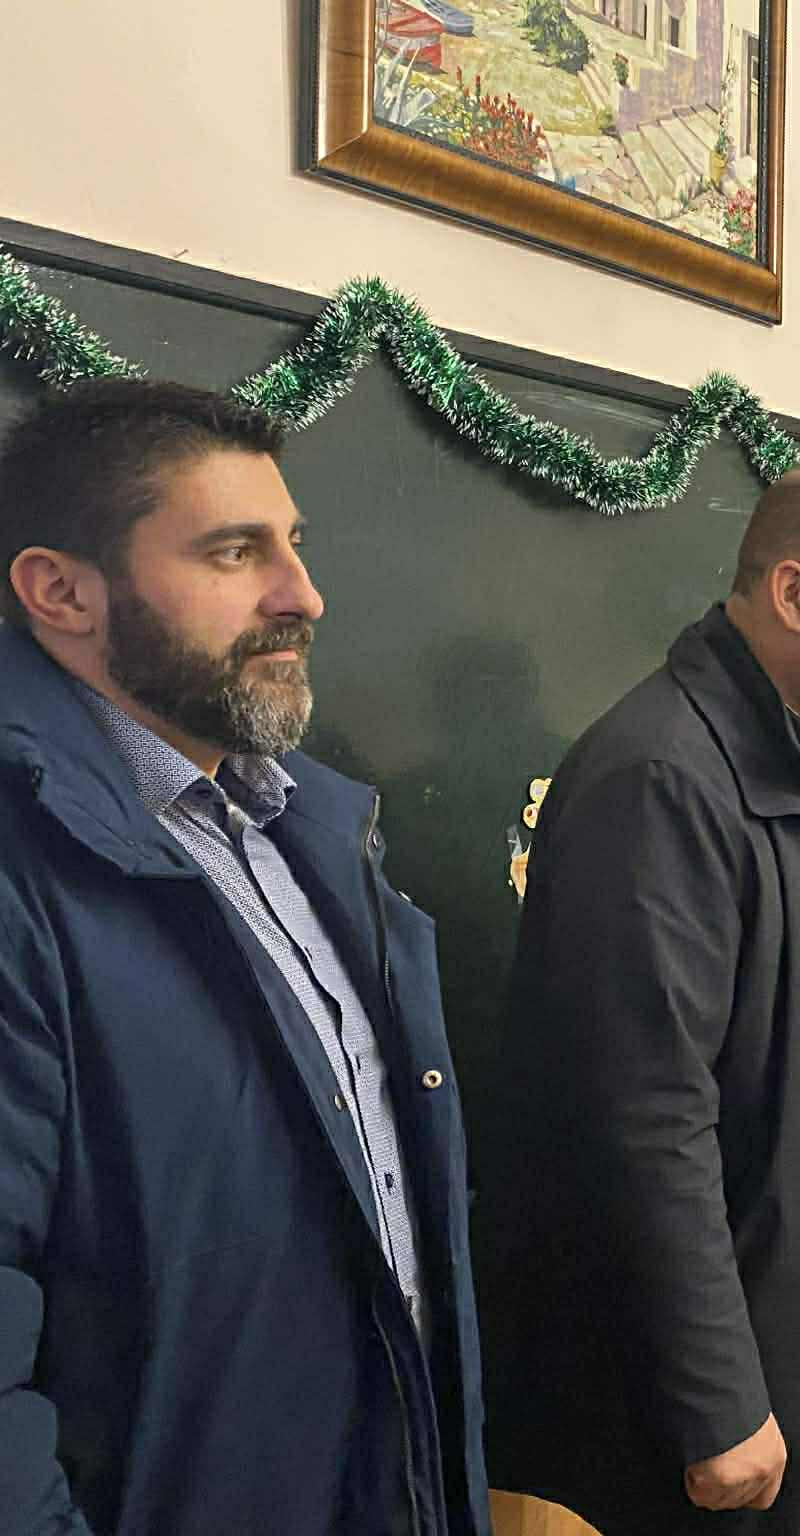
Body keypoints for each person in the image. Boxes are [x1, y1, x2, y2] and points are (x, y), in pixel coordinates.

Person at [0, 378, 488, 1534]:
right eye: (232, 552)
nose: (301, 597)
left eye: (294, 546)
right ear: (61, 592)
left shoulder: (309, 828)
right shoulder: (24, 865)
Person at [482, 456, 800, 1536]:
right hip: (746, 1375)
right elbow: (644, 1116)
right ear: (793, 592)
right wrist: (718, 1401)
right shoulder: (662, 780)